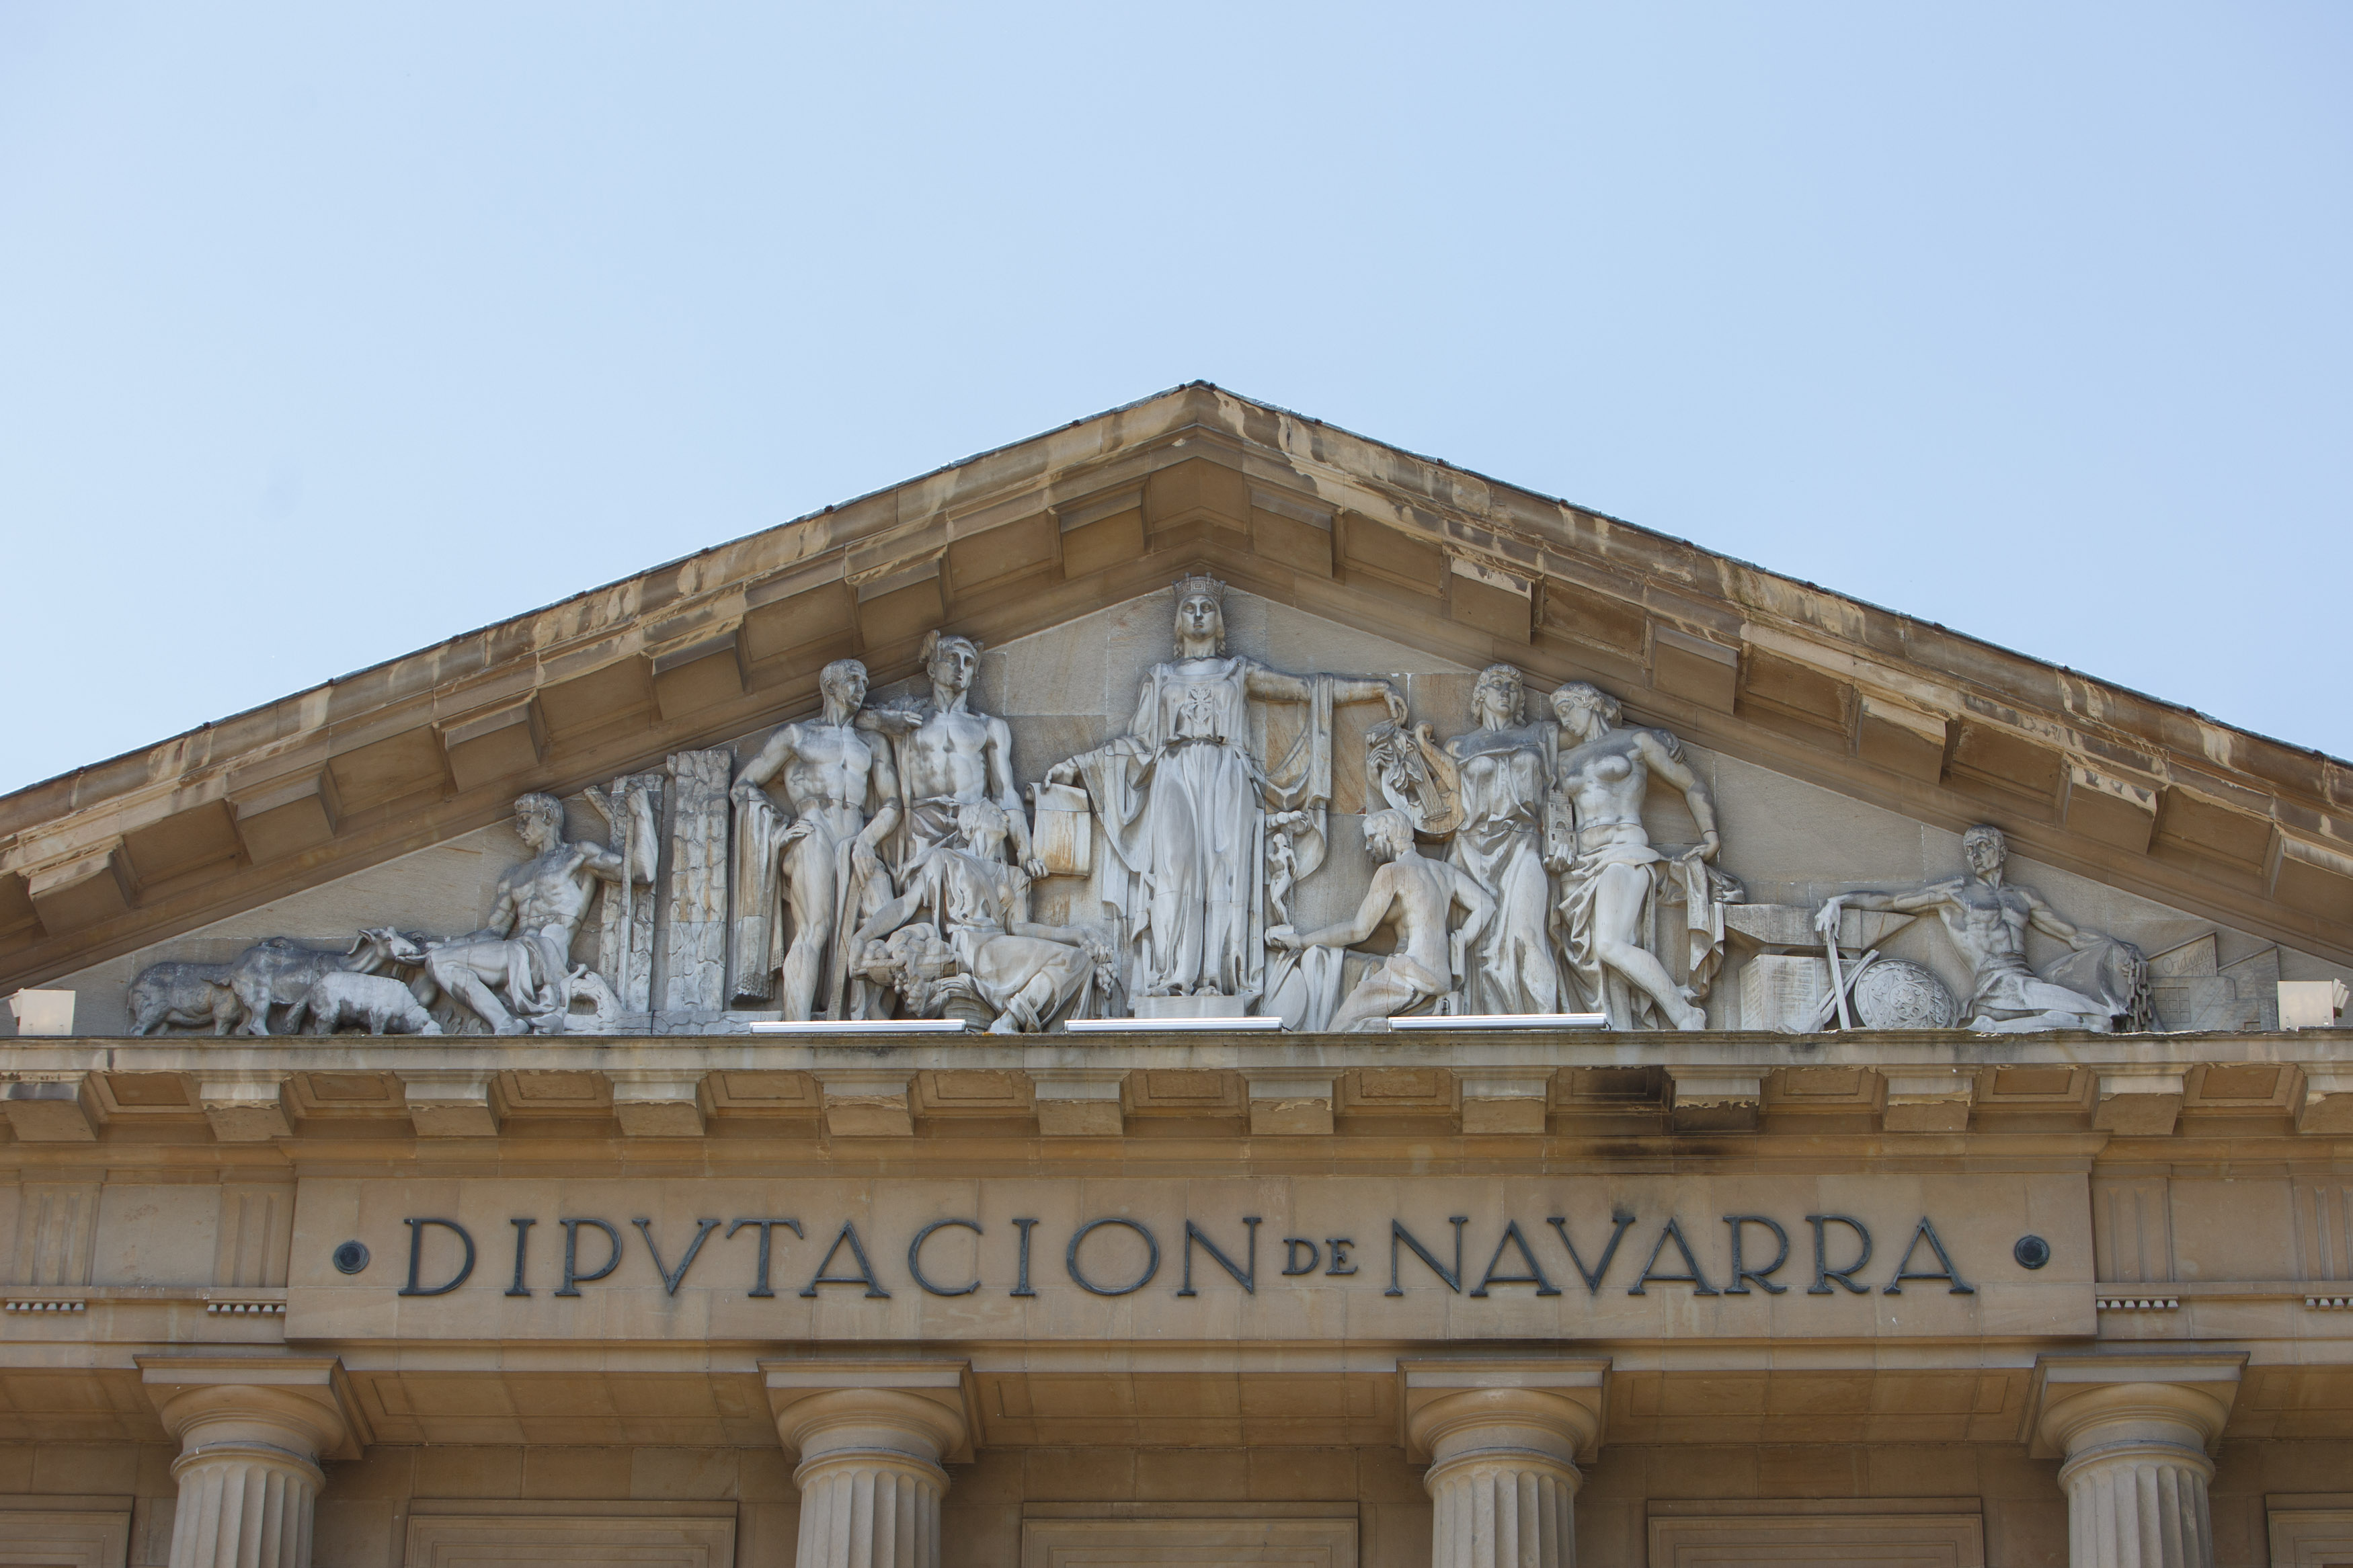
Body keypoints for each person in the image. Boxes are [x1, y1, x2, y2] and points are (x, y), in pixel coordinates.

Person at [1047, 576, 1401, 1001]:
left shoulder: (1239, 673)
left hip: (1228, 776)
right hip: (1173, 775)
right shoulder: (1159, 679)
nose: (1198, 614)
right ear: (1178, 622)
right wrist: (1075, 766)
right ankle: (1173, 976)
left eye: (1207, 607)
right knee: (1175, 869)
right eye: (1189, 607)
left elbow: (1307, 690)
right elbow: (1134, 746)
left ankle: (1219, 977)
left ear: (1220, 623)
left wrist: (1376, 689)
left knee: (1226, 872)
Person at [1817, 823, 2138, 1032]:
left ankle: (1997, 1027)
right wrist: (1839, 901)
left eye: (1982, 846)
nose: (1974, 855)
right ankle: (1998, 1022)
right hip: (1996, 985)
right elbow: (1892, 902)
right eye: (1969, 850)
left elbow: (2073, 935)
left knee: (2095, 1020)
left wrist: (2120, 948)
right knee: (2099, 1019)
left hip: (2024, 981)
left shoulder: (2024, 896)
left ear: (2001, 851)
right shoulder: (1955, 893)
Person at [1546, 682, 1726, 1031]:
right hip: (1581, 865)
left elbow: (1690, 784)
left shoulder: (1637, 742)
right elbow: (1553, 816)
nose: (1563, 721)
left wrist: (1710, 837)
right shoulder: (1563, 759)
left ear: (1590, 703)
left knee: (1611, 944)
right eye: (1558, 715)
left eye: (1567, 709)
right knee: (1601, 959)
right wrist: (1558, 848)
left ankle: (1683, 1013)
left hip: (1624, 851)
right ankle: (1620, 1026)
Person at [729, 659, 900, 1019]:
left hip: (856, 837)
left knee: (884, 920)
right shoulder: (796, 736)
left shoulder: (871, 744)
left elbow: (892, 804)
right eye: (853, 680)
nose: (862, 687)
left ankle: (870, 1018)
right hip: (814, 834)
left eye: (866, 681)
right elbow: (744, 786)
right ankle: (797, 1025)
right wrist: (776, 827)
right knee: (815, 930)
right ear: (830, 687)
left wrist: (867, 841)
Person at [852, 800, 1111, 1033]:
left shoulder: (1014, 875)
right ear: (971, 825)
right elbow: (905, 906)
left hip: (999, 946)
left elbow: (1019, 928)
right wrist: (863, 936)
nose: (1005, 818)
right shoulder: (946, 859)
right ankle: (1010, 1021)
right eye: (995, 812)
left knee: (1077, 961)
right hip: (971, 949)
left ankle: (1010, 1021)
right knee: (1071, 961)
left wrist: (1074, 934)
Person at [415, 791, 653, 1034]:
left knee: (442, 961)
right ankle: (505, 1023)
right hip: (516, 953)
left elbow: (641, 873)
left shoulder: (577, 855)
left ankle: (507, 1023)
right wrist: (446, 944)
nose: (519, 828)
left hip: (547, 954)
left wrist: (643, 813)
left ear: (548, 816)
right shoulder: (513, 877)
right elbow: (494, 931)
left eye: (525, 819)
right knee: (439, 960)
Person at [1267, 809, 1494, 1032]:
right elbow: (1486, 906)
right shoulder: (1445, 872)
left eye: (1371, 838)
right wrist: (1458, 942)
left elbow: (1358, 931)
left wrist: (1301, 941)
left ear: (1388, 833)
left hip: (1411, 974)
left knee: (1341, 1025)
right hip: (1441, 977)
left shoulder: (1394, 872)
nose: (1368, 847)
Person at [1440, 663, 1562, 1015]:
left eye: (1512, 687)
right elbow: (1435, 806)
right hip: (1470, 849)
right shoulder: (1459, 747)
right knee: (1474, 944)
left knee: (1527, 933)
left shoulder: (1539, 737)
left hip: (1524, 842)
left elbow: (1587, 735)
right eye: (1497, 685)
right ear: (1481, 695)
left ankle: (1548, 1023)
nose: (1505, 692)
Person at [861, 630, 1038, 872]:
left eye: (968, 662)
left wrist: (1024, 850)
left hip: (973, 828)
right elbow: (857, 718)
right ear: (932, 670)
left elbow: (1005, 793)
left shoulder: (989, 727)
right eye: (952, 658)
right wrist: (885, 721)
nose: (961, 667)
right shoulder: (908, 716)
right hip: (922, 828)